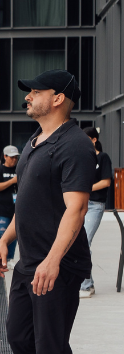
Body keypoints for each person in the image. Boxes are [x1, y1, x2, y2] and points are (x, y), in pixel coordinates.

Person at [0, 70, 93, 354]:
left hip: (59, 264)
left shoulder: (75, 145)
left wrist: (53, 259)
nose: (29, 96)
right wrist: (5, 240)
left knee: (51, 347)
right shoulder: (35, 143)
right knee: (18, 336)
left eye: (36, 91)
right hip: (28, 261)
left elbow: (77, 208)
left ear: (58, 98)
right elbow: (26, 203)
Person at [79, 126, 113, 298]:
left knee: (84, 242)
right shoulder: (83, 158)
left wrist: (86, 188)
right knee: (78, 243)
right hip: (80, 204)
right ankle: (87, 283)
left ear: (93, 139)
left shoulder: (103, 157)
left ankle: (86, 285)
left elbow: (106, 182)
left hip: (95, 205)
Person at [0, 146, 20, 264]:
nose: (14, 160)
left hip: (15, 208)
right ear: (5, 156)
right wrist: (12, 181)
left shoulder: (19, 169)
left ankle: (9, 258)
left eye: (16, 157)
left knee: (13, 234)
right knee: (1, 232)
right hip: (2, 207)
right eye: (12, 157)